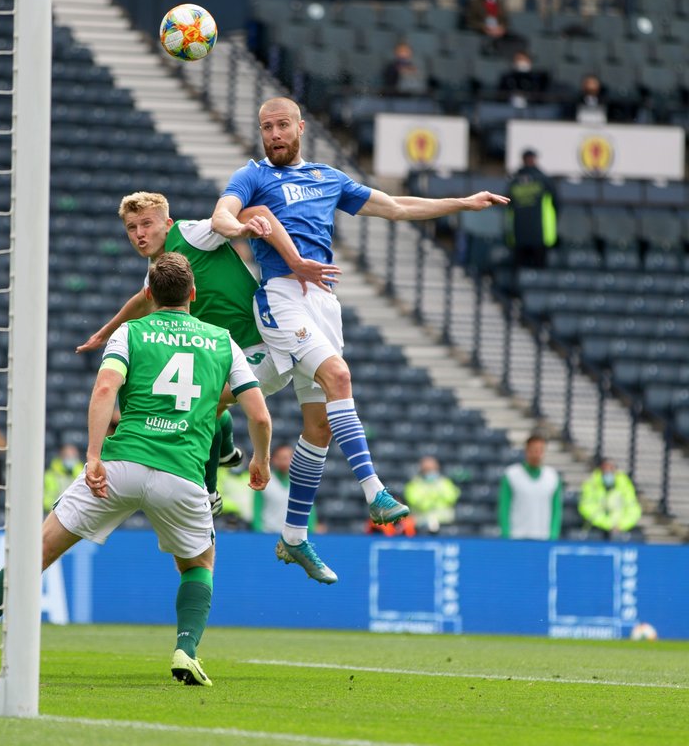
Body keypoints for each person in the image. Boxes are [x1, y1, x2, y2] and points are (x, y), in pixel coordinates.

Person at [0, 253, 273, 686]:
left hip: (120, 464)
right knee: (199, 564)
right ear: (194, 295)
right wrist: (259, 458)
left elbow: (106, 387)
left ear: (148, 294)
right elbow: (258, 416)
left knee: (38, 550)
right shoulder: (222, 341)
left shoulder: (130, 331)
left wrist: (92, 456)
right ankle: (185, 649)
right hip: (181, 475)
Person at [212, 96, 509, 584]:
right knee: (339, 377)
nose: (274, 135)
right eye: (267, 128)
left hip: (324, 301)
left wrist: (462, 202)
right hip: (283, 294)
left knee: (314, 427)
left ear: (300, 127)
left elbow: (394, 206)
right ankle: (375, 492)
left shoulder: (329, 178)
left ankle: (291, 536)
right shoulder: (254, 176)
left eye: (282, 125)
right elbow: (223, 213)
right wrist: (242, 224)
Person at [76, 191, 337, 514]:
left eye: (146, 224)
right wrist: (105, 332)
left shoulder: (189, 233)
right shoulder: (159, 269)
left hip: (262, 345)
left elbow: (223, 222)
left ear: (167, 223)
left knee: (203, 404)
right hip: (227, 352)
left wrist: (240, 231)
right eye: (132, 228)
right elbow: (143, 299)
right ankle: (225, 451)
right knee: (198, 398)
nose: (140, 234)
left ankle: (209, 491)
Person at [499, 432, 563, 540]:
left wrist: (553, 535)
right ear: (527, 451)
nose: (537, 454)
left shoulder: (553, 477)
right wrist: (506, 534)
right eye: (534, 450)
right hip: (517, 536)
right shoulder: (511, 475)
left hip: (543, 538)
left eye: (540, 450)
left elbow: (556, 510)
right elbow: (504, 507)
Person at [506, 148, 558, 270]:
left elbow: (557, 204)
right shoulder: (542, 180)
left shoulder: (516, 181)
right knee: (525, 273)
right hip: (527, 234)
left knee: (534, 272)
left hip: (536, 234)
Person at [578, 456, 641, 540]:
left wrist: (621, 525)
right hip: (597, 527)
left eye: (611, 468)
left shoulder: (625, 484)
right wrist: (608, 524)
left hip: (621, 527)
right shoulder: (591, 484)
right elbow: (587, 508)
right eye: (605, 469)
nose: (608, 472)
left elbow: (633, 509)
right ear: (600, 469)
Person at [404, 455, 461, 534]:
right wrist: (436, 497)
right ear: (422, 470)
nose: (430, 472)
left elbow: (451, 498)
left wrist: (428, 497)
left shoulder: (445, 482)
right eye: (427, 469)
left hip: (445, 522)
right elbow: (416, 502)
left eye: (432, 469)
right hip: (421, 523)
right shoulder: (414, 484)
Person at [251, 443, 293, 533]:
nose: (283, 462)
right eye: (280, 458)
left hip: (291, 535)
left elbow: (310, 510)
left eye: (287, 458)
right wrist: (258, 531)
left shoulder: (300, 482)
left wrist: (310, 532)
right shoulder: (263, 481)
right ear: (273, 459)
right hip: (268, 533)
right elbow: (257, 508)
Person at [44, 442, 85, 512]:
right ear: (61, 457)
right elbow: (46, 500)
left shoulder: (83, 474)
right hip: (52, 512)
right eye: (67, 456)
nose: (71, 459)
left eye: (73, 456)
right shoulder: (50, 475)